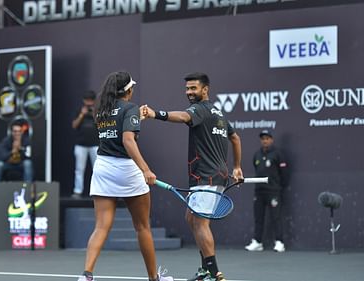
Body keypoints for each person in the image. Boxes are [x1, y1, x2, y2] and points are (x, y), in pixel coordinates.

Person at [141, 72, 243, 281]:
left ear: (205, 89)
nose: (189, 92)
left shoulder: (199, 110)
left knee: (200, 223)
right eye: (187, 88)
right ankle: (206, 268)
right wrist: (237, 167)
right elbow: (235, 137)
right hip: (214, 175)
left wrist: (155, 114)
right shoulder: (218, 113)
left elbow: (183, 117)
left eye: (193, 88)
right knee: (191, 218)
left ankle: (214, 273)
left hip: (207, 176)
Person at [78, 71, 173, 281]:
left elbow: (115, 128)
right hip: (126, 170)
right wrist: (146, 169)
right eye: (132, 88)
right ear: (128, 90)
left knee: (101, 227)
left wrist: (136, 117)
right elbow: (128, 141)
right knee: (142, 227)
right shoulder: (129, 108)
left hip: (103, 168)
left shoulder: (101, 110)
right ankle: (153, 279)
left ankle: (86, 275)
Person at [245, 129, 289, 253]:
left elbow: (284, 174)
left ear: (271, 140)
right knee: (258, 217)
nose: (265, 141)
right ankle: (257, 242)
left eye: (267, 138)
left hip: (273, 191)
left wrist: (278, 186)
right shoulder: (257, 155)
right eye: (263, 139)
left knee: (276, 217)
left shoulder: (278, 154)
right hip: (259, 191)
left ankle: (279, 242)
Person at [71, 90, 99, 198]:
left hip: (95, 144)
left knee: (97, 170)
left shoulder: (98, 111)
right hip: (81, 144)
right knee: (79, 169)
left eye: (90, 101)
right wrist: (82, 114)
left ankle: (97, 191)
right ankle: (77, 190)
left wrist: (94, 114)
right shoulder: (79, 111)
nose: (88, 103)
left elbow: (102, 124)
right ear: (84, 101)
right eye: (87, 101)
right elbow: (74, 125)